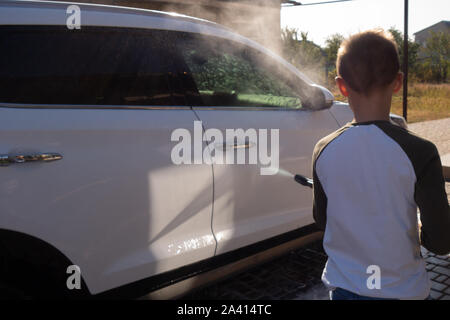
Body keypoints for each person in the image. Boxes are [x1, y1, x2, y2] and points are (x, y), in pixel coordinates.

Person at [311, 29, 450, 300]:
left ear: (341, 86)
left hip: (344, 289)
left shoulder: (323, 149)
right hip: (403, 291)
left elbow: (322, 220)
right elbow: (442, 240)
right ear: (398, 82)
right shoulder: (420, 152)